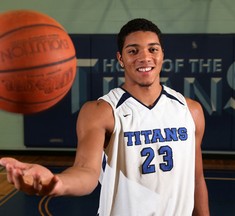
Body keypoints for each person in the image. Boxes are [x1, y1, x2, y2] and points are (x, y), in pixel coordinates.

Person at [0, 18, 209, 215]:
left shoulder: (190, 110)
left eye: (153, 49)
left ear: (162, 54)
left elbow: (196, 179)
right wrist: (57, 182)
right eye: (133, 51)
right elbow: (86, 172)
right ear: (120, 58)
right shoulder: (102, 111)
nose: (145, 57)